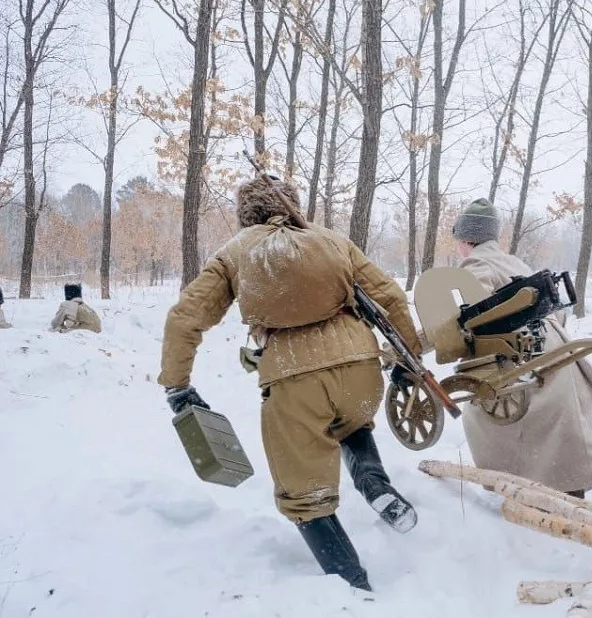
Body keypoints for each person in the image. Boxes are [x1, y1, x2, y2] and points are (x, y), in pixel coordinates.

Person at [157, 175, 423, 592]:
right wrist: (408, 359)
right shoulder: (330, 240)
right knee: (350, 423)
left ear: (246, 214)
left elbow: (184, 318)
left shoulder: (237, 252)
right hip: (361, 371)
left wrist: (177, 384)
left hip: (294, 378)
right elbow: (389, 295)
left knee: (305, 493)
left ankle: (353, 588)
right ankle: (375, 485)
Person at [449, 198, 592, 498]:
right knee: (562, 418)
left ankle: (525, 484)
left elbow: (480, 314)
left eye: (458, 240)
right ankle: (576, 475)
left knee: (486, 415)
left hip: (521, 348)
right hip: (552, 341)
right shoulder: (514, 261)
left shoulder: (475, 263)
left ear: (466, 238)